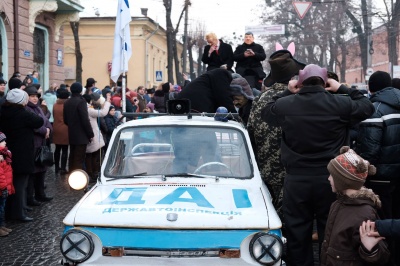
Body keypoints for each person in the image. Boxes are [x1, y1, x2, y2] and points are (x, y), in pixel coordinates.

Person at [261, 64, 375, 266]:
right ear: (325, 82)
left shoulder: (287, 104)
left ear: (300, 82)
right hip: (331, 179)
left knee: (297, 232)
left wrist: (288, 90)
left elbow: (266, 112)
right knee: (329, 228)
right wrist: (342, 88)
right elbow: (367, 106)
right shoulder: (339, 103)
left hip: (296, 179)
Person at [247, 49, 305, 219]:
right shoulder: (299, 98)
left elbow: (249, 132)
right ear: (293, 76)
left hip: (265, 170)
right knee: (292, 219)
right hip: (293, 171)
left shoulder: (261, 99)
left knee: (268, 215)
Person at [320, 146, 390, 265]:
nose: (328, 178)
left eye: (332, 175)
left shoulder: (364, 214)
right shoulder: (337, 204)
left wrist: (370, 250)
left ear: (343, 180)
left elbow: (382, 255)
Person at [356, 71, 400, 220]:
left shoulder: (373, 110)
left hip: (381, 178)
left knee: (383, 221)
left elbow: (370, 150)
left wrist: (362, 174)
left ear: (370, 87)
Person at [0, 89, 43, 222]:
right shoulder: (23, 113)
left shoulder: (3, 111)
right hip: (22, 153)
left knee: (9, 183)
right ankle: (18, 213)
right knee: (20, 185)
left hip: (7, 151)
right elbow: (39, 121)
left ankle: (9, 212)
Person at [25, 85, 53, 205]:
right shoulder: (27, 109)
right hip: (33, 144)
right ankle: (31, 198)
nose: (35, 98)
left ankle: (40, 194)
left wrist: (48, 129)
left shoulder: (38, 108)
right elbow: (34, 125)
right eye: (32, 96)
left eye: (36, 96)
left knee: (42, 169)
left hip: (42, 144)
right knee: (33, 172)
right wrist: (45, 131)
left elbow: (46, 122)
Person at [63, 82, 94, 172]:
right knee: (79, 159)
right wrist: (90, 134)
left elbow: (65, 119)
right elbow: (85, 119)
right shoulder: (81, 101)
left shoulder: (67, 102)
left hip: (72, 133)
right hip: (81, 135)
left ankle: (71, 176)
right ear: (80, 90)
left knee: (72, 157)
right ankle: (77, 181)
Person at [53, 88, 70, 175]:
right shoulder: (67, 105)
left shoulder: (55, 105)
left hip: (56, 128)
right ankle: (63, 168)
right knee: (65, 149)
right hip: (65, 129)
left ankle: (56, 167)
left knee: (57, 149)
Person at [0, 132, 14, 236]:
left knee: (2, 207)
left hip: (5, 186)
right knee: (0, 208)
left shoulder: (5, 154)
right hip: (2, 188)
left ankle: (2, 225)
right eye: (2, 141)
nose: (5, 142)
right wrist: (4, 187)